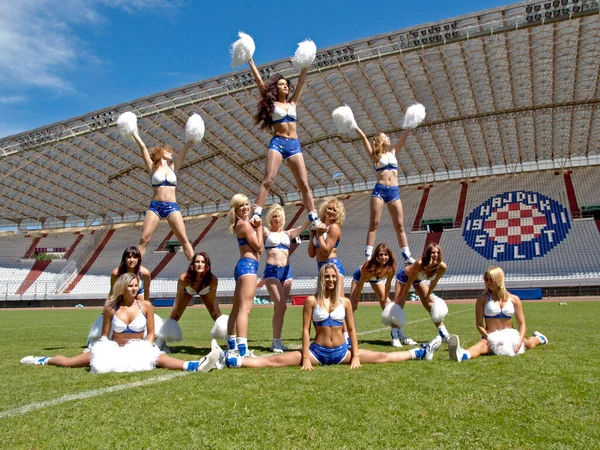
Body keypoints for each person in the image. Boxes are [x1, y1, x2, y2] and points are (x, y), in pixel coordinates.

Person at [220, 263, 442, 369]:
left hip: (341, 353)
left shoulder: (344, 302)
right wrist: (306, 357)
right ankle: (233, 360)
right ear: (321, 278)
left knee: (382, 357)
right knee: (275, 360)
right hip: (317, 353)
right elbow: (305, 330)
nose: (330, 280)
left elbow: (352, 330)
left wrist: (354, 356)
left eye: (333, 276)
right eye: (327, 276)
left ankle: (420, 352)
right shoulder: (310, 301)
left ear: (337, 279)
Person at [21, 273, 221, 372]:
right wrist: (101, 350)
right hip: (114, 349)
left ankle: (195, 365)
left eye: (136, 286)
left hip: (139, 349)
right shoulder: (111, 308)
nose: (134, 289)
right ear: (123, 287)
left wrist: (146, 347)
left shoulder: (146, 306)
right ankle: (42, 359)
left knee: (160, 359)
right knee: (69, 362)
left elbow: (151, 333)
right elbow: (104, 335)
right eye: (130, 286)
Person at [247, 57, 321, 229]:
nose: (285, 86)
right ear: (276, 88)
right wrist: (250, 59)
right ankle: (257, 213)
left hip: (294, 144)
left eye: (286, 84)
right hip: (278, 143)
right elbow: (260, 82)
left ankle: (314, 217)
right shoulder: (272, 104)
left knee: (304, 183)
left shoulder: (293, 102)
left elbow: (301, 82)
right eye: (281, 84)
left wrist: (306, 63)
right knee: (269, 178)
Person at [447, 266, 548, 362]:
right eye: (487, 280)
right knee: (482, 346)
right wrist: (489, 337)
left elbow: (522, 324)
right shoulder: (482, 299)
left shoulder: (514, 299)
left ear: (500, 279)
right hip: (490, 336)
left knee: (529, 343)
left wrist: (520, 340)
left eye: (492, 279)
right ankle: (462, 354)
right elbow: (479, 324)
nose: (489, 283)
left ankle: (540, 338)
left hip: (510, 336)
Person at [354, 124, 414, 265]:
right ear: (379, 140)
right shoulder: (375, 155)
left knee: (399, 225)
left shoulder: (392, 152)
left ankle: (407, 256)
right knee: (374, 223)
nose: (388, 138)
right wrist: (355, 125)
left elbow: (402, 139)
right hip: (380, 190)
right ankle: (368, 256)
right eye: (385, 136)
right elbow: (363, 138)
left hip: (394, 192)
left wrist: (410, 126)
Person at [132, 128, 194, 260]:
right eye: (168, 151)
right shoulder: (152, 168)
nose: (171, 153)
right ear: (161, 153)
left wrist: (192, 138)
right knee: (144, 238)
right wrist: (133, 133)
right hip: (155, 207)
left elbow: (184, 150)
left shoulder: (174, 167)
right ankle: (135, 271)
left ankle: (197, 271)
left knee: (183, 238)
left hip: (172, 207)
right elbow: (143, 148)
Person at [262, 204, 310, 353]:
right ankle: (276, 342)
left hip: (287, 273)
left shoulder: (288, 234)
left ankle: (277, 341)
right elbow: (253, 225)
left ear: (283, 218)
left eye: (279, 216)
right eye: (274, 216)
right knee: (282, 306)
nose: (276, 219)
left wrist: (312, 213)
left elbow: (303, 226)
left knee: (280, 309)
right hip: (272, 272)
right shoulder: (266, 232)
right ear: (270, 218)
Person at [227, 194, 263, 358]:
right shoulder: (245, 226)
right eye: (241, 205)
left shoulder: (241, 224)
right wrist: (260, 226)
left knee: (236, 308)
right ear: (235, 209)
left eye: (247, 204)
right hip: (248, 267)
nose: (246, 208)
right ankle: (242, 349)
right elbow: (259, 247)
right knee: (245, 309)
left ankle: (232, 345)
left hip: (242, 266)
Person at [394, 243, 449, 346]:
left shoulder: (442, 267)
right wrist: (402, 297)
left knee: (430, 305)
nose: (435, 255)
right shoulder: (419, 263)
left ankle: (444, 334)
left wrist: (428, 295)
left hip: (419, 279)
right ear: (428, 253)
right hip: (405, 278)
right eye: (433, 252)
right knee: (399, 305)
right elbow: (409, 281)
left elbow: (434, 282)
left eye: (437, 252)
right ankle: (397, 335)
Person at [308, 197, 345, 298]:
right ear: (324, 209)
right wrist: (312, 235)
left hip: (333, 267)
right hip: (321, 267)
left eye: (334, 210)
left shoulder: (334, 227)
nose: (331, 212)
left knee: (338, 303)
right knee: (321, 304)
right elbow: (311, 254)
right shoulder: (319, 227)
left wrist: (319, 234)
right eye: (329, 208)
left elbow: (325, 251)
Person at [169, 252, 221, 323]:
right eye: (197, 262)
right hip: (188, 292)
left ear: (207, 265)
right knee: (175, 315)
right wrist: (174, 310)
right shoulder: (184, 278)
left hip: (205, 292)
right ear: (193, 264)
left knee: (216, 314)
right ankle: (167, 331)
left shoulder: (213, 279)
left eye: (203, 262)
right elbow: (179, 296)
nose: (200, 264)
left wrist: (216, 310)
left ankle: (225, 331)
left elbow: (213, 297)